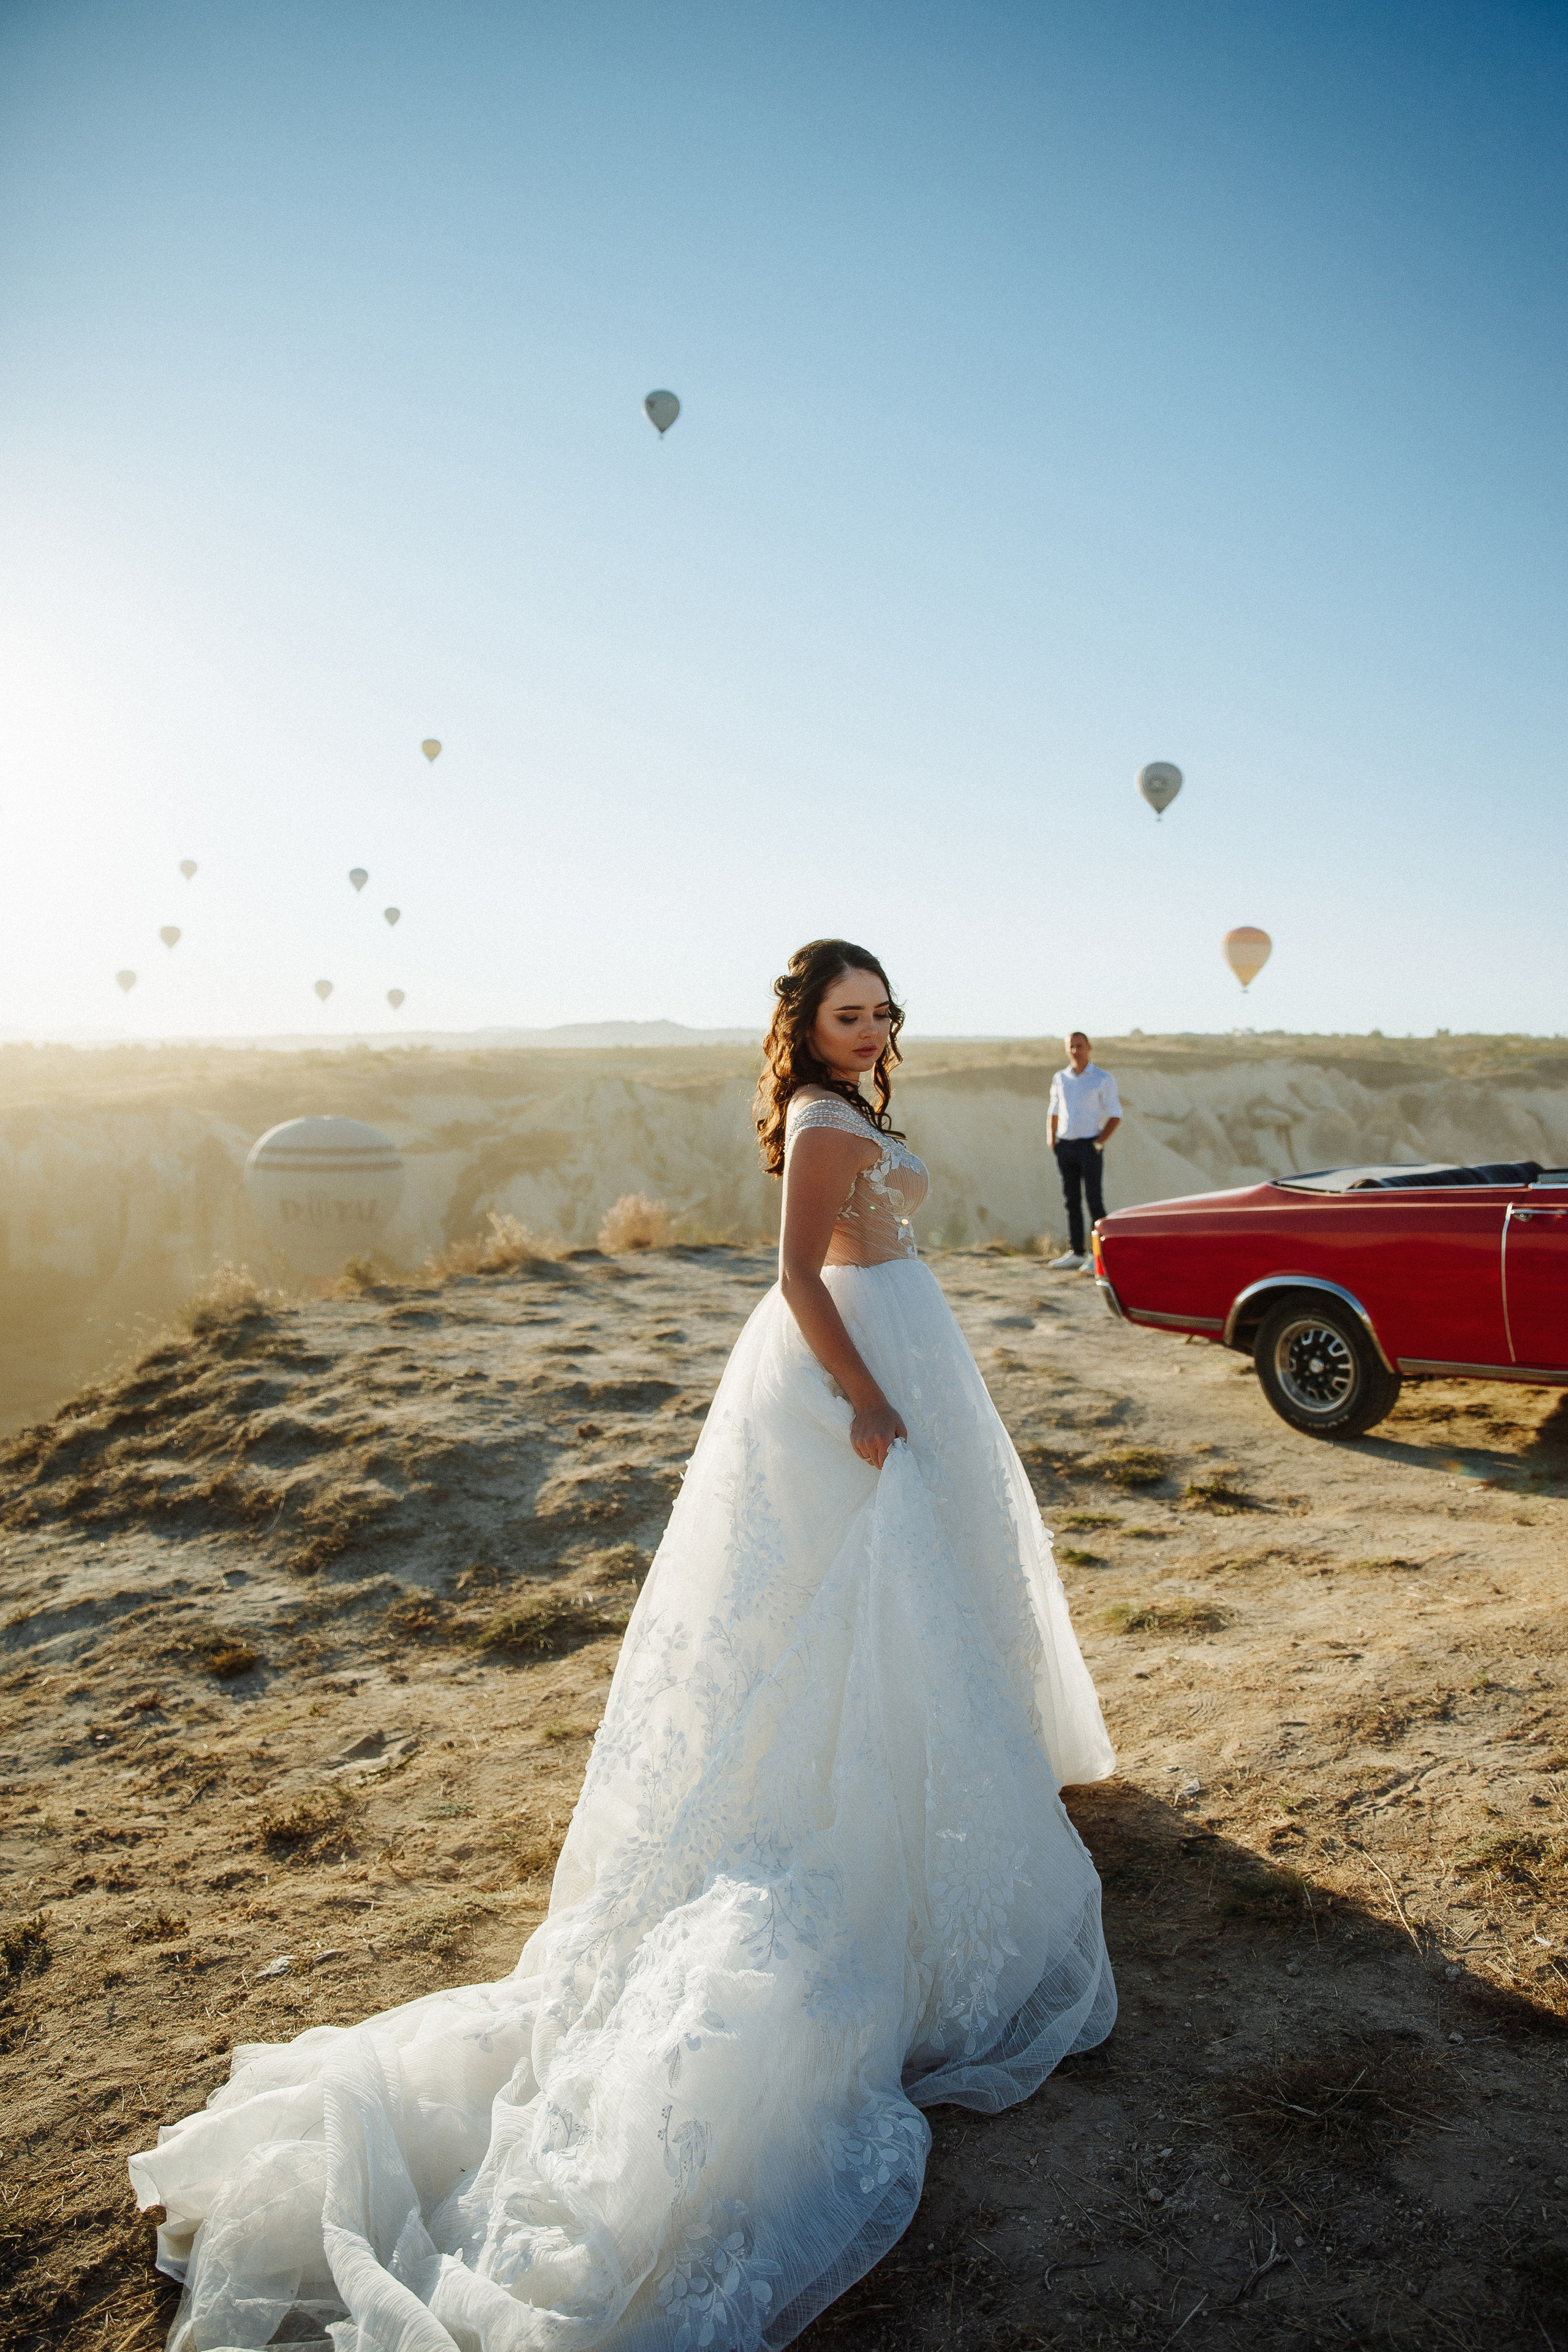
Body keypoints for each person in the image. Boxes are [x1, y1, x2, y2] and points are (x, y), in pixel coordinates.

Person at [131, 940, 1117, 2352]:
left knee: (916, 1594)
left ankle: (933, 1773)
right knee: (849, 1604)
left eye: (882, 1008)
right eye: (849, 1011)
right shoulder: (828, 1124)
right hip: (847, 1367)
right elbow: (796, 1277)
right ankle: (866, 1799)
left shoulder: (854, 1112)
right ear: (805, 1025)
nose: (872, 1025)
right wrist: (861, 1400)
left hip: (907, 1338)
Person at [1047, 1031, 1121, 1269]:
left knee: (1094, 1201)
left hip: (1089, 1145)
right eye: (1071, 1046)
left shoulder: (1102, 1078)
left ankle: (1098, 1256)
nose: (1076, 1051)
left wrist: (1099, 1143)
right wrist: (1052, 1138)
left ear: (1089, 1047)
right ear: (1066, 1049)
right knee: (1071, 1201)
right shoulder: (1061, 1078)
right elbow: (1054, 1109)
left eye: (1080, 1046)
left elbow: (1115, 1114)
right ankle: (1077, 1252)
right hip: (1065, 1145)